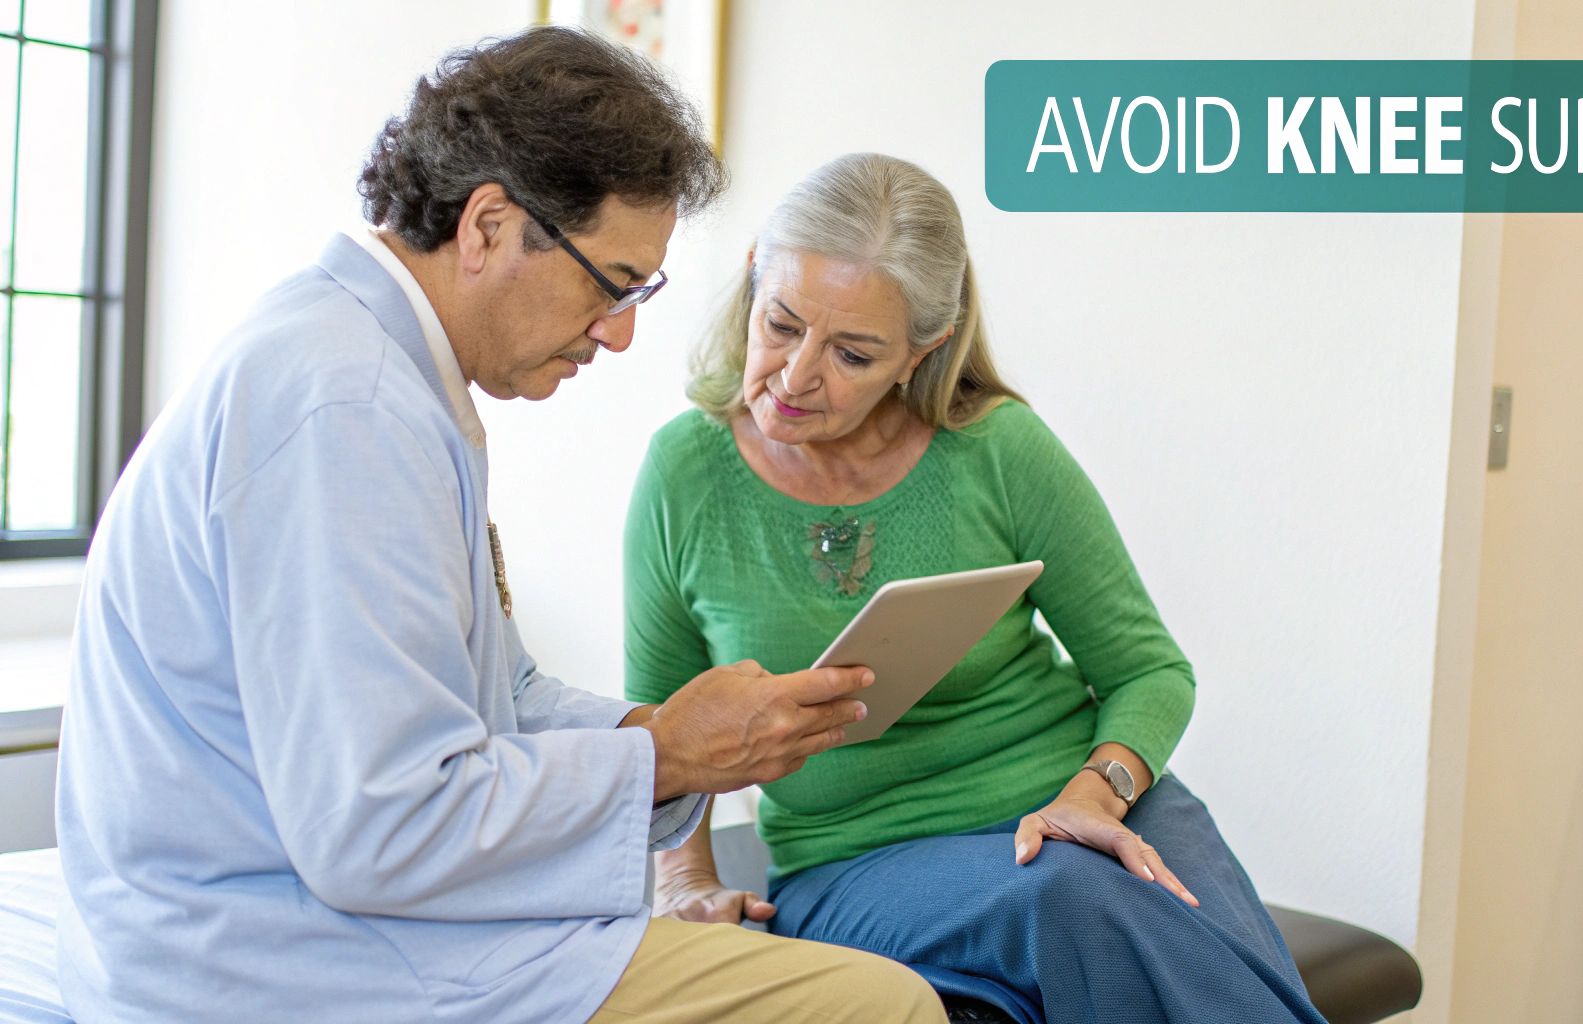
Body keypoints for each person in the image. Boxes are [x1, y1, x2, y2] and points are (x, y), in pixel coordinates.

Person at [56, 31, 945, 1024]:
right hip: (278, 965)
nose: (620, 332)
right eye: (611, 283)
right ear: (487, 224)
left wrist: (659, 731)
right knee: (882, 1007)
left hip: (317, 923)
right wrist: (667, 759)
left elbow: (497, 696)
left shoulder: (372, 370)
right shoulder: (346, 406)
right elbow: (380, 825)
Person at [627, 153, 1330, 1024]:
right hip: (860, 859)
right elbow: (658, 721)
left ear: (921, 351)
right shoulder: (684, 475)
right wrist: (686, 880)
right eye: (781, 323)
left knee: (1144, 900)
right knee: (1070, 896)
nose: (797, 375)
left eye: (852, 353)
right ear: (751, 282)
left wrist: (1094, 794)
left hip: (1092, 800)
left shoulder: (999, 451)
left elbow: (1150, 671)